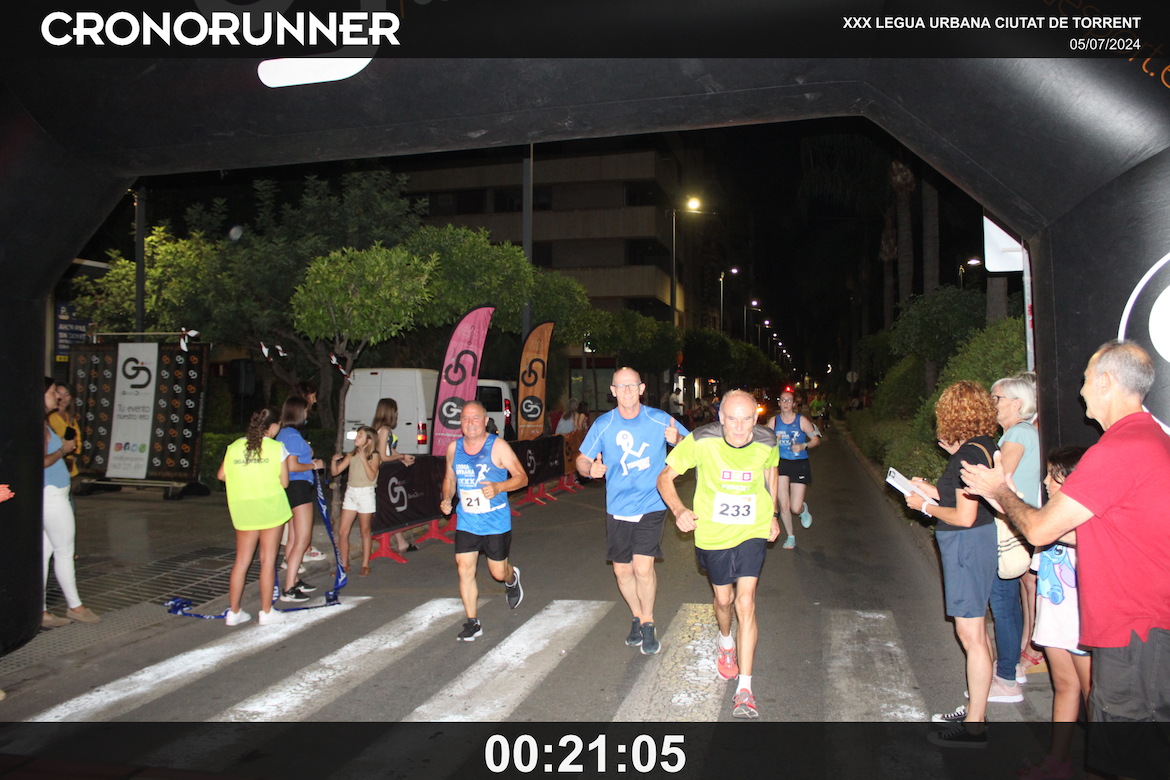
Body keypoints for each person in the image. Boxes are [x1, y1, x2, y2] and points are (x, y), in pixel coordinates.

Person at [962, 341, 1170, 779]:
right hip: (1141, 628)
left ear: (1107, 382)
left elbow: (1041, 531)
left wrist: (1000, 491)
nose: (1081, 391)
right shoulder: (1147, 438)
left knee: (1131, 759)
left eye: (1086, 380)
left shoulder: (1118, 449)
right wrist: (1007, 502)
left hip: (1134, 631)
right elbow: (1086, 531)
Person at [657, 390, 780, 719]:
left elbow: (770, 473)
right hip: (713, 534)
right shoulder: (701, 440)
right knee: (724, 601)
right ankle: (726, 642)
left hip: (752, 529)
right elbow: (665, 478)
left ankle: (745, 689)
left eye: (746, 419)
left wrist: (772, 514)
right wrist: (679, 510)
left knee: (746, 602)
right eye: (732, 419)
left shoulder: (767, 440)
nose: (739, 427)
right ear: (721, 417)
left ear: (755, 418)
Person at [903, 380, 999, 747]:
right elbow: (960, 497)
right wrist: (930, 489)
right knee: (978, 634)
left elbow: (963, 516)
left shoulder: (969, 455)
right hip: (975, 544)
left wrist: (925, 506)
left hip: (966, 546)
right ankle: (976, 708)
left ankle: (975, 726)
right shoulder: (982, 446)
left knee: (971, 636)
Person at [576, 368, 687, 654]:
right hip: (618, 506)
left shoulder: (659, 418)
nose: (627, 391)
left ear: (641, 388)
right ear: (612, 391)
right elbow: (581, 459)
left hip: (652, 503)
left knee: (643, 566)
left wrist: (678, 440)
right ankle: (637, 615)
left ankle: (648, 621)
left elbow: (694, 448)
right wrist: (589, 469)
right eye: (621, 386)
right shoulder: (604, 424)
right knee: (622, 571)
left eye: (632, 385)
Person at [1019, 445, 1098, 780]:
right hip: (1054, 614)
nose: (1046, 482)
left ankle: (1102, 766)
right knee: (1063, 684)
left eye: (1054, 476)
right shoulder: (1046, 515)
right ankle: (1058, 760)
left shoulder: (1091, 519)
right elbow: (1038, 573)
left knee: (1095, 698)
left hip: (1082, 619)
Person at [977, 372, 1043, 705]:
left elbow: (1001, 479)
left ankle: (1006, 680)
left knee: (1002, 603)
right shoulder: (1021, 432)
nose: (992, 403)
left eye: (997, 398)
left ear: (1017, 403)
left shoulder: (1017, 433)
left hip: (1007, 527)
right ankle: (1011, 668)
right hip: (1015, 526)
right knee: (1009, 601)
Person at [440, 400, 528, 641]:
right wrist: (446, 498)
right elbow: (450, 479)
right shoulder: (454, 448)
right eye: (465, 418)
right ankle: (473, 622)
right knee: (464, 569)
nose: (470, 423)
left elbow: (522, 477)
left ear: (485, 420)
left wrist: (499, 487)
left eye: (475, 418)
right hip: (467, 520)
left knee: (498, 573)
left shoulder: (498, 446)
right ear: (460, 422)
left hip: (495, 521)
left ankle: (512, 578)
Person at [217, 407, 291, 626]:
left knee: (241, 561)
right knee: (267, 560)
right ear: (273, 426)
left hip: (244, 507)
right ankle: (266, 611)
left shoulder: (235, 447)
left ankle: (234, 612)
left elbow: (222, 475)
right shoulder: (277, 448)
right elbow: (284, 482)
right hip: (270, 507)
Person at [41, 378, 99, 627]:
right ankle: (75, 607)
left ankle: (41, 611)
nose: (58, 396)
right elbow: (42, 461)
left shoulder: (43, 422)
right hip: (53, 497)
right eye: (53, 392)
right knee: (64, 552)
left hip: (52, 495)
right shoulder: (40, 425)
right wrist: (63, 450)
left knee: (45, 554)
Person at [274, 396, 325, 602]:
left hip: (290, 488)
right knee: (302, 538)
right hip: (298, 487)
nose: (307, 414)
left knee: (294, 538)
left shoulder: (283, 433)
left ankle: (293, 579)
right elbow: (292, 466)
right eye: (304, 411)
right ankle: (289, 588)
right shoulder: (293, 436)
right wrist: (314, 465)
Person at [766, 390, 819, 550]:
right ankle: (790, 536)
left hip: (799, 463)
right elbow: (764, 441)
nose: (786, 403)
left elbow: (816, 439)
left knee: (795, 507)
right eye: (783, 400)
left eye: (789, 400)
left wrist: (804, 445)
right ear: (779, 402)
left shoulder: (801, 420)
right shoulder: (774, 421)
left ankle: (803, 510)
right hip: (780, 463)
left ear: (794, 403)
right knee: (784, 505)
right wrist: (773, 440)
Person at [331, 426, 382, 577]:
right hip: (351, 492)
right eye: (357, 435)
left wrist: (364, 460)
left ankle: (365, 565)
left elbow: (372, 476)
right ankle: (344, 565)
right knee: (342, 531)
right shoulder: (351, 455)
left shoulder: (374, 456)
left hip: (366, 493)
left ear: (368, 441)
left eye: (360, 435)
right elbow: (335, 472)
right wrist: (333, 461)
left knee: (365, 531)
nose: (356, 438)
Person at [372, 398, 417, 555]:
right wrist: (402, 456)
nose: (397, 414)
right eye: (395, 410)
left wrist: (402, 458)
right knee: (391, 506)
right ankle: (398, 541)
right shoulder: (384, 430)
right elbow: (384, 456)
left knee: (391, 506)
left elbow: (389, 449)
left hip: (384, 472)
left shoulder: (381, 429)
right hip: (382, 473)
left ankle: (401, 542)